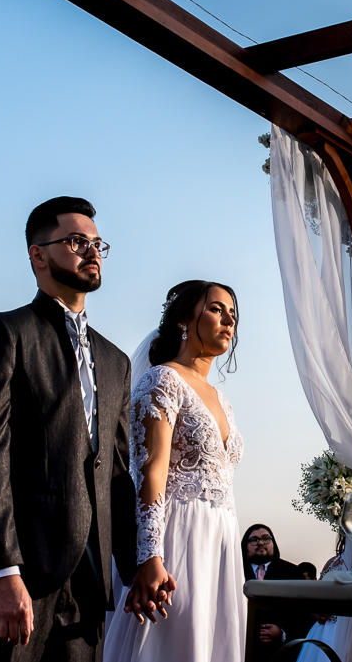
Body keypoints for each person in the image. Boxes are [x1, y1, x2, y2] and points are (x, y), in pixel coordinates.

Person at [0, 196, 137, 662]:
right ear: (37, 253)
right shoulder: (3, 333)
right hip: (15, 577)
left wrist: (139, 563)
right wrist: (2, 571)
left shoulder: (116, 361)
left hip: (89, 584)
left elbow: (115, 470)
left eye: (97, 243)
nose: (91, 251)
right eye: (75, 241)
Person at [103, 280, 246, 662]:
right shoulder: (162, 379)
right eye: (216, 309)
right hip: (178, 534)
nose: (228, 320)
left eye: (232, 314)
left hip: (221, 539)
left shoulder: (223, 400)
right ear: (184, 317)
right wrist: (149, 556)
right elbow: (150, 471)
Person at [241, 524, 308, 661]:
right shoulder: (235, 572)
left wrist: (282, 632)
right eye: (254, 540)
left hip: (279, 652)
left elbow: (303, 614)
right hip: (241, 647)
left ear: (273, 543)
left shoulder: (292, 573)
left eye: (266, 539)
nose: (260, 543)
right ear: (245, 546)